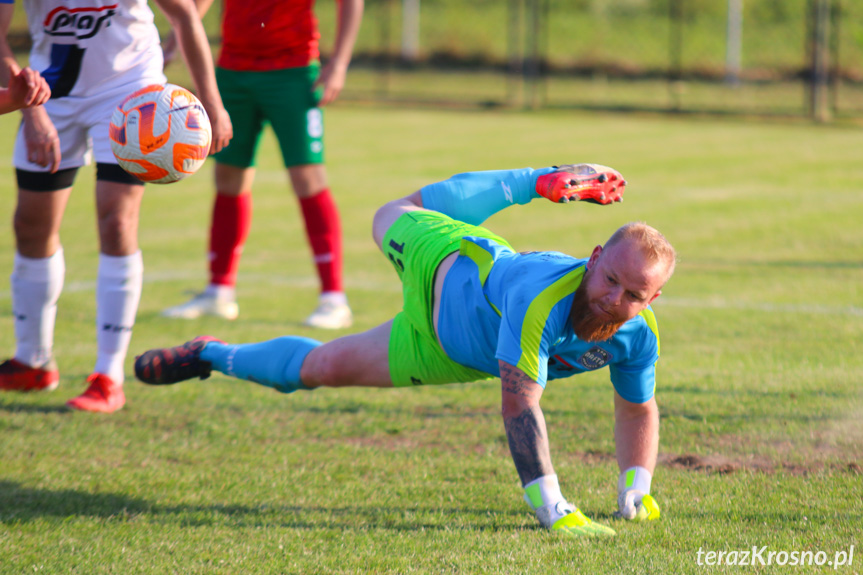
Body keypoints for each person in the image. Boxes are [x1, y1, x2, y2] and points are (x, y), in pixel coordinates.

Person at [135, 164, 676, 536]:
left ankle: (208, 354)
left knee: (319, 368)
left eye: (633, 295)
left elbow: (636, 407)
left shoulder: (639, 334)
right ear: (594, 256)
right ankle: (534, 179)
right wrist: (553, 509)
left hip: (442, 352)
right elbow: (519, 406)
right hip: (442, 263)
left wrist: (638, 485)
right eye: (609, 279)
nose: (613, 299)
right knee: (390, 212)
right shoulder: (542, 300)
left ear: (654, 298)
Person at [0, 0, 233, 413]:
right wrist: (31, 110)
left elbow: (184, 13)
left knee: (116, 220)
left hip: (131, 92)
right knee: (31, 225)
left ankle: (109, 376)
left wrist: (210, 101)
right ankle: (33, 361)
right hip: (50, 90)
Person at [160, 0, 364, 329]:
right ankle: (219, 291)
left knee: (308, 179)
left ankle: (333, 299)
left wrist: (339, 62)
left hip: (293, 72)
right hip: (232, 71)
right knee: (227, 178)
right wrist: (171, 43)